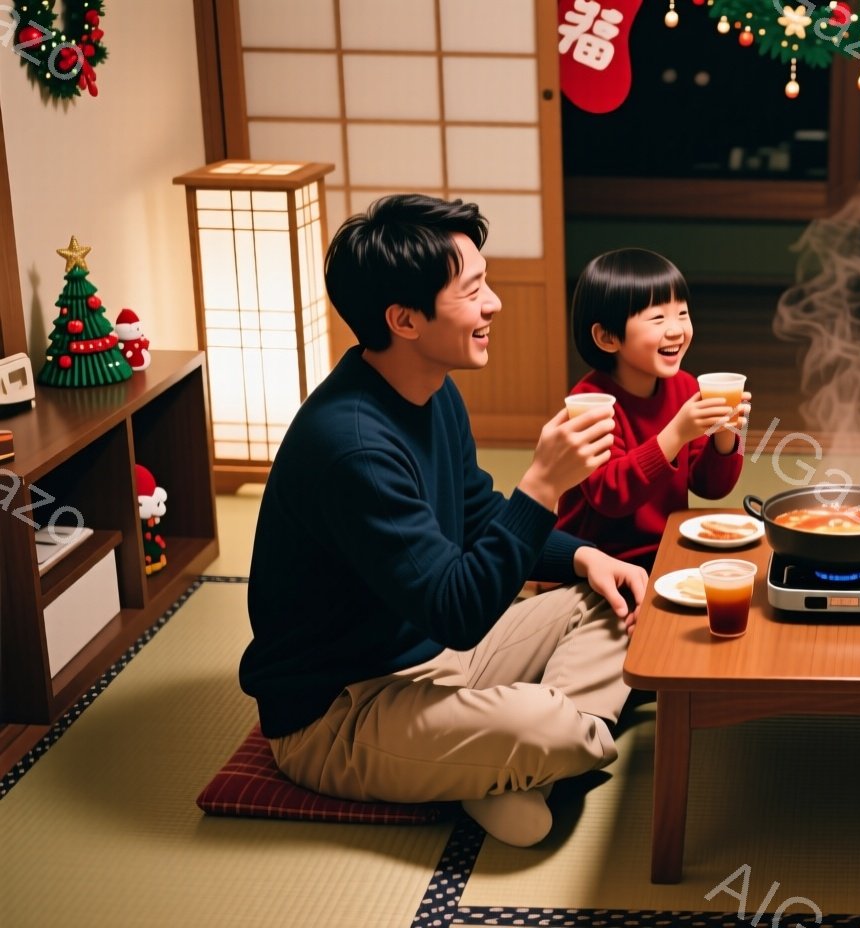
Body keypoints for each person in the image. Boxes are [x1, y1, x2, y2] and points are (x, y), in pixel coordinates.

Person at [240, 194, 646, 849]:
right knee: (546, 723)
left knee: (614, 602)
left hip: (438, 658)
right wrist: (543, 484)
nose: (495, 305)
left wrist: (583, 558)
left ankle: (498, 769)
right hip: (343, 711)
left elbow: (476, 512)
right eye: (473, 290)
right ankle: (526, 751)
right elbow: (456, 610)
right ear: (404, 318)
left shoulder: (431, 389)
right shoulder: (353, 449)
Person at [556, 248, 748, 568]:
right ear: (607, 337)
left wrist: (727, 433)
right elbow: (611, 495)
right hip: (596, 563)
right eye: (658, 318)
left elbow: (711, 488)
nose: (675, 329)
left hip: (664, 552)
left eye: (682, 314)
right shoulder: (590, 403)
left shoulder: (686, 387)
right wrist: (677, 432)